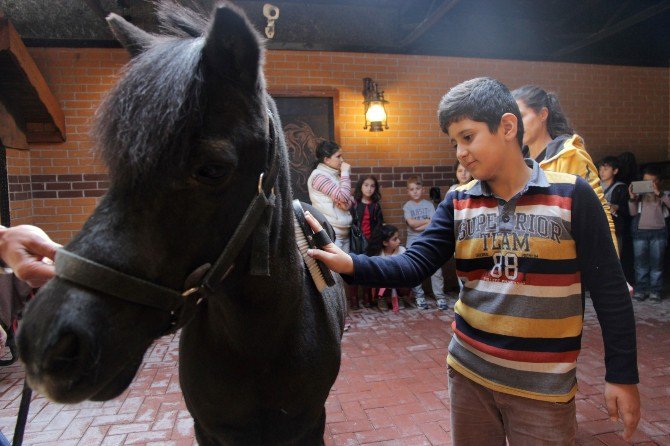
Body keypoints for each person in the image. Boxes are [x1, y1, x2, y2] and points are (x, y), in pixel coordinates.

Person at [306, 77, 640, 445]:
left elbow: (611, 291)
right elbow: (414, 264)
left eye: (468, 137)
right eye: (454, 143)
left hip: (543, 390)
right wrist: (351, 264)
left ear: (508, 127)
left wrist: (621, 375)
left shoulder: (571, 196)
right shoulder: (457, 201)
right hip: (470, 378)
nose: (460, 152)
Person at [511, 85, 618, 253]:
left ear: (543, 114)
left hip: (566, 258)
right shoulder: (515, 162)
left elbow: (600, 214)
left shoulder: (570, 155)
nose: (516, 127)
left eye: (522, 116)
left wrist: (612, 271)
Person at [403, 175, 448, 311]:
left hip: (429, 242)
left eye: (417, 188)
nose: (415, 191)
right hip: (413, 243)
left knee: (436, 271)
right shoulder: (407, 206)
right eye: (412, 189)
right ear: (408, 192)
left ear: (422, 189)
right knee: (415, 271)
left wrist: (421, 225)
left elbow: (433, 224)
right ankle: (419, 297)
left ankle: (440, 297)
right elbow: (411, 224)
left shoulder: (429, 205)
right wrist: (426, 221)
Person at [628, 166, 670, 302]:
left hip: (659, 233)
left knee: (657, 264)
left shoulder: (665, 195)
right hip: (640, 233)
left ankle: (655, 291)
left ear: (659, 181)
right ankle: (641, 290)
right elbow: (632, 213)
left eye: (652, 181)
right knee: (640, 265)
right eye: (645, 181)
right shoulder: (640, 196)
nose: (649, 185)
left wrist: (659, 194)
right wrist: (632, 198)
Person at [307, 140, 355, 252]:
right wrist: (345, 173)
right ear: (327, 160)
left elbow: (348, 198)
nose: (342, 160)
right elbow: (343, 197)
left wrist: (348, 203)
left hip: (343, 231)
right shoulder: (319, 176)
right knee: (334, 269)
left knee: (344, 268)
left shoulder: (333, 175)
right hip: (332, 232)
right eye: (338, 156)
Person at [350, 175, 384, 309]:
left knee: (368, 270)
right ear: (360, 186)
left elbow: (379, 225)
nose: (369, 189)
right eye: (366, 185)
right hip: (356, 243)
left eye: (372, 186)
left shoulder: (376, 206)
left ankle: (367, 298)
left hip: (371, 244)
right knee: (353, 270)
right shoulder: (354, 204)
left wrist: (373, 243)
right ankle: (354, 300)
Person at [365, 224, 410, 312]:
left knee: (407, 280)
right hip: (383, 280)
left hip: (397, 279)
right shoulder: (377, 254)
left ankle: (400, 297)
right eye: (395, 239)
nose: (399, 241)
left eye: (398, 238)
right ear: (385, 243)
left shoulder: (402, 251)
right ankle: (381, 299)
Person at [598, 156, 631, 261]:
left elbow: (627, 209)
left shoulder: (621, 188)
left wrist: (617, 207)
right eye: (600, 169)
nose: (601, 172)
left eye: (606, 169)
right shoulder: (595, 186)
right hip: (598, 228)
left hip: (615, 230)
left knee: (614, 260)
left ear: (615, 171)